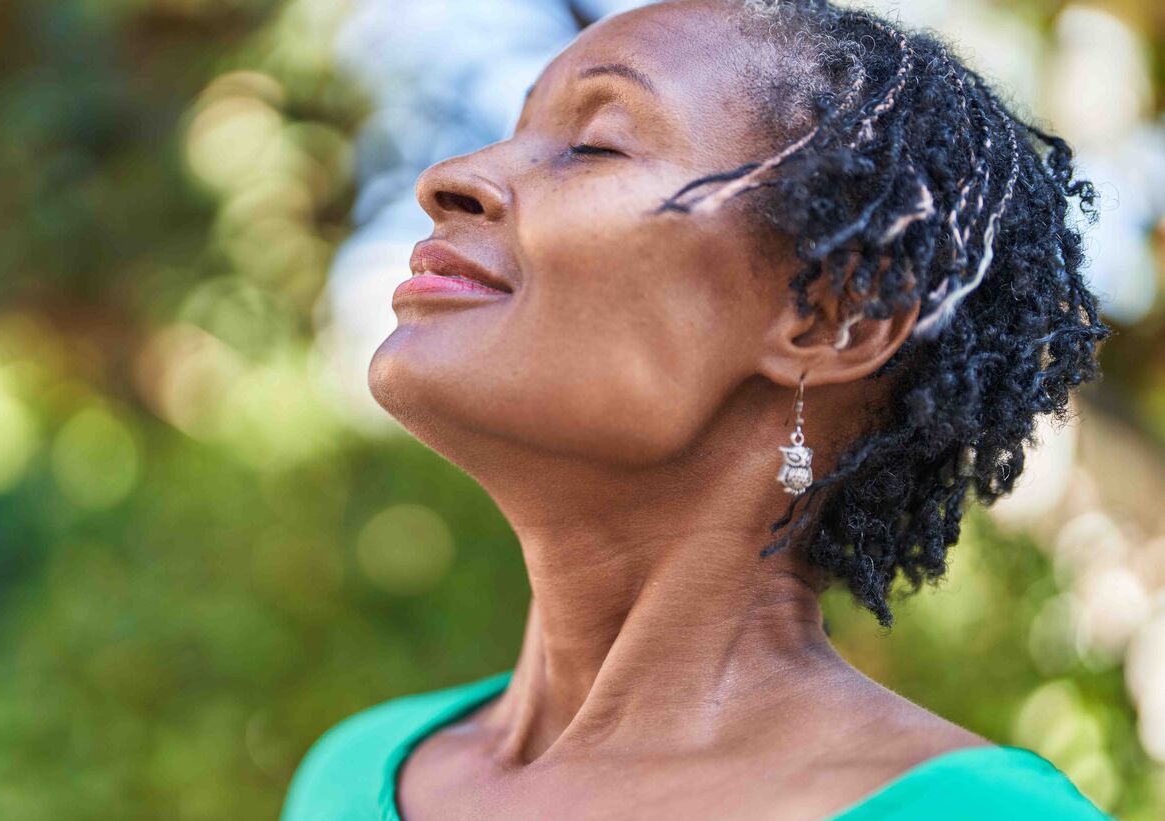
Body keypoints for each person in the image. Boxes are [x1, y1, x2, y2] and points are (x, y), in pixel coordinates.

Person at [282, 0, 1115, 818]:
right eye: (514, 129)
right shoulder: (354, 770)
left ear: (831, 315)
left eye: (593, 145)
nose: (447, 178)